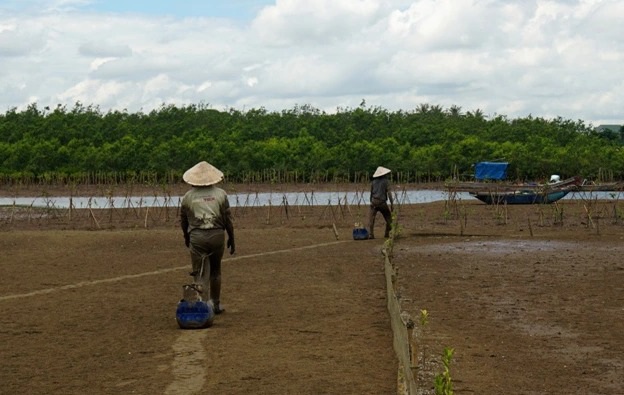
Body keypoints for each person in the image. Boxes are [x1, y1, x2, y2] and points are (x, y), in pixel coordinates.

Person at [180, 161, 235, 314]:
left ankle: (201, 306)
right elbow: (227, 220)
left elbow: (183, 221)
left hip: (197, 237)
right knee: (216, 271)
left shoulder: (187, 197)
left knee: (200, 272)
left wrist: (186, 237)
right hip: (217, 235)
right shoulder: (221, 194)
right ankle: (216, 304)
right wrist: (231, 238)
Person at [368, 166, 394, 239]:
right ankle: (387, 234)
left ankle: (371, 234)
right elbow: (389, 193)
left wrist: (371, 201)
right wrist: (392, 204)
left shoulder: (373, 182)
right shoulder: (386, 182)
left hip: (374, 201)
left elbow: (371, 193)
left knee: (371, 218)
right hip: (382, 202)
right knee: (389, 218)